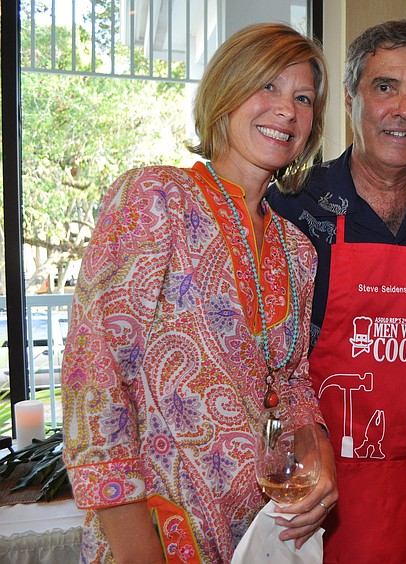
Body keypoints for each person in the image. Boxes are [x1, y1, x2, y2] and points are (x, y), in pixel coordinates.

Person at [61, 23, 337, 563]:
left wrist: (318, 450)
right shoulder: (154, 198)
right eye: (268, 87)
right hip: (155, 534)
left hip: (258, 538)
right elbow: (93, 378)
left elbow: (289, 377)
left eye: (303, 98)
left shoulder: (297, 247)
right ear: (225, 93)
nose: (287, 109)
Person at [267, 18, 406, 564]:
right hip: (315, 503)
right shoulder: (293, 207)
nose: (403, 109)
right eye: (385, 87)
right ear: (352, 98)